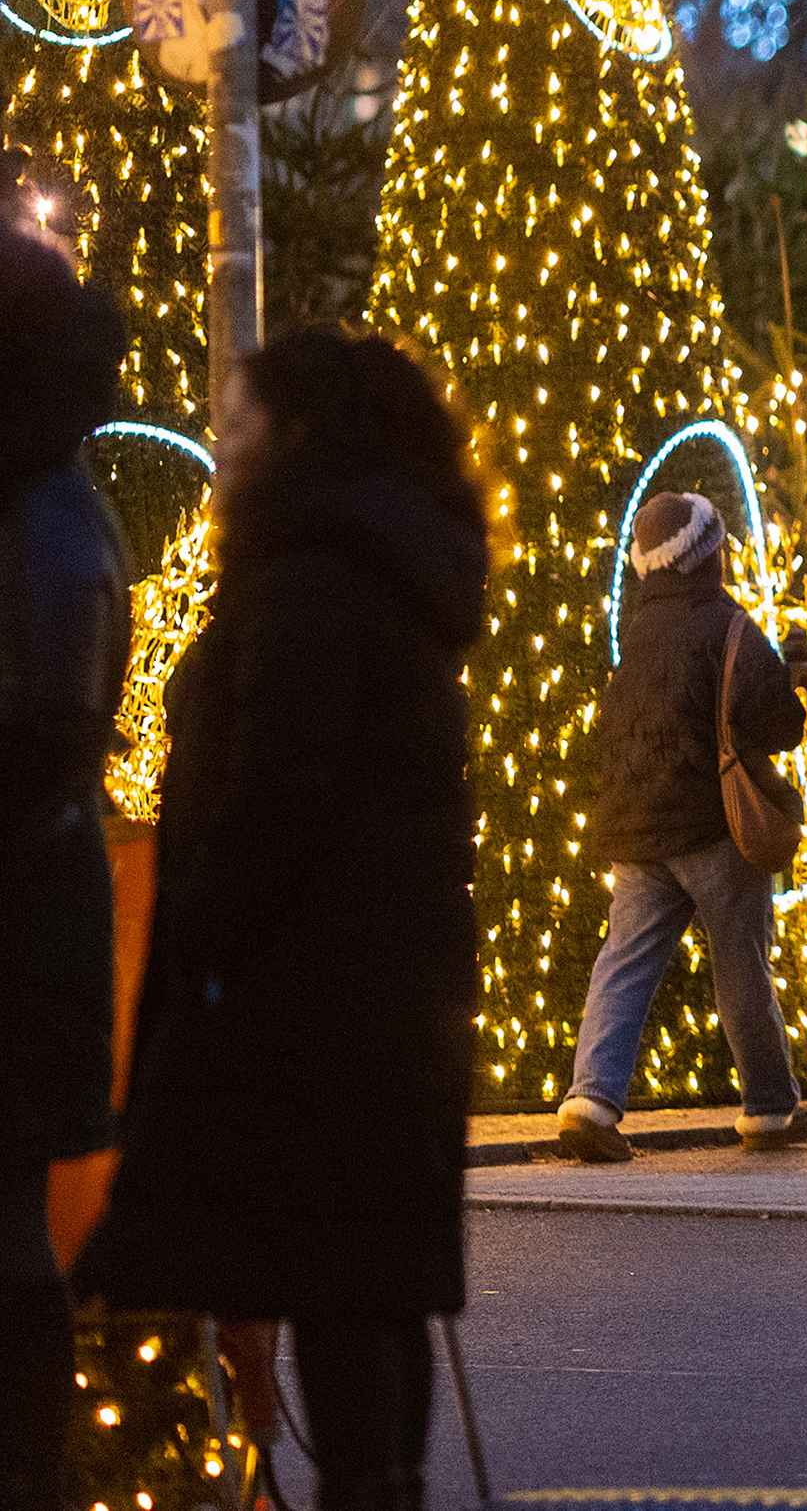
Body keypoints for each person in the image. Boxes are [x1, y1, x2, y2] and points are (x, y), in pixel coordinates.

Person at [77, 329, 495, 1504]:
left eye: (243, 418)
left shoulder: (310, 583)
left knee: (332, 1291)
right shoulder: (387, 573)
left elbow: (271, 800)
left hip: (298, 1003)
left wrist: (196, 945)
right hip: (381, 999)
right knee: (369, 1295)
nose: (225, 439)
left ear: (297, 433)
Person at [552, 493, 807, 1163]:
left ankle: (590, 1099)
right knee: (742, 964)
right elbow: (779, 724)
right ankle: (767, 1109)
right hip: (712, 829)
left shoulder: (637, 636)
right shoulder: (727, 626)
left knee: (624, 961)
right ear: (711, 554)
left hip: (635, 828)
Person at [0, 233, 121, 1511]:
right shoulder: (61, 495)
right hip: (42, 918)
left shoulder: (39, 508)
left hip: (21, 920)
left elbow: (41, 731)